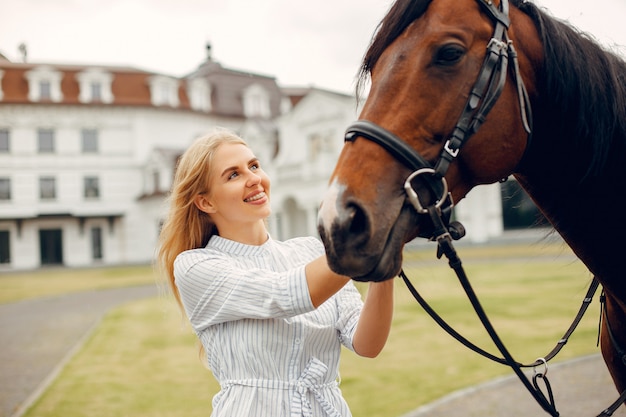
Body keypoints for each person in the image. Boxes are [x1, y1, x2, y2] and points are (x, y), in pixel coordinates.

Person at [157, 129, 394, 417]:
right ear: (206, 202)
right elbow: (286, 293)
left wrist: (386, 264)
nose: (254, 178)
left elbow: (366, 343)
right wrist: (361, 235)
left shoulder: (311, 253)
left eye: (254, 166)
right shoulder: (196, 266)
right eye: (233, 175)